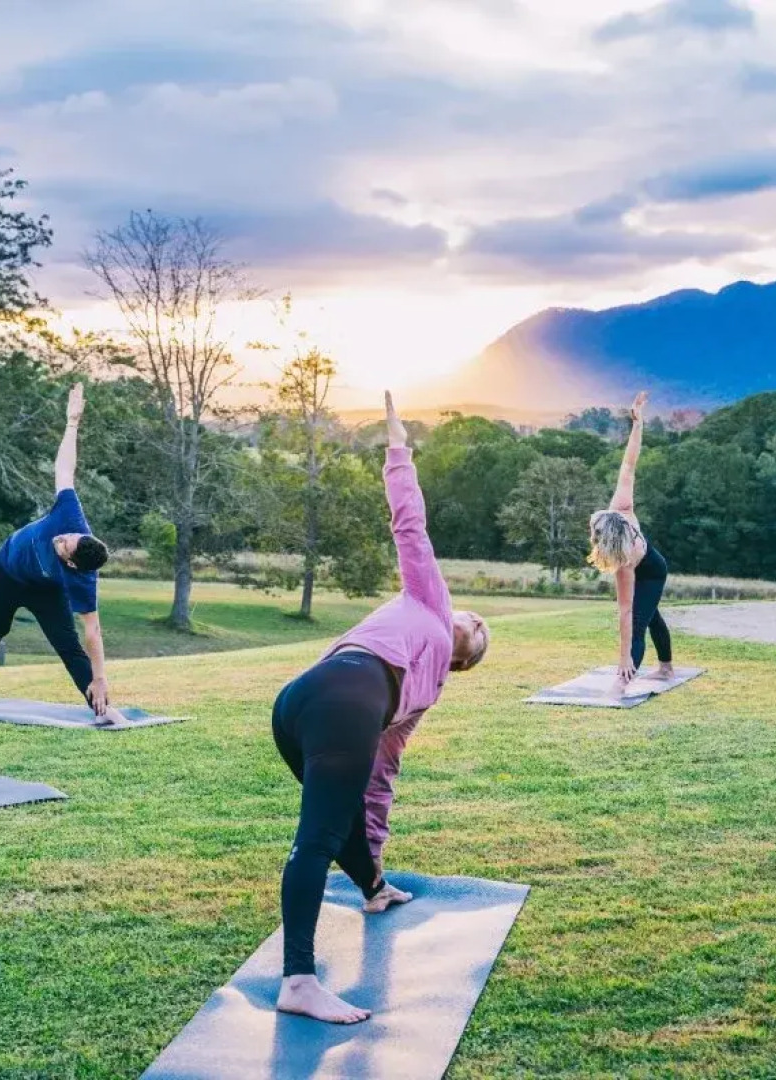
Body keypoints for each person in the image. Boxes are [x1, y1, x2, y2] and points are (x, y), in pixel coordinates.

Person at [271, 391, 490, 1025]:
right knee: (317, 837)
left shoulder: (421, 694)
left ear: (464, 655)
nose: (472, 618)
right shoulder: (429, 599)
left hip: (305, 701)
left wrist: (377, 860)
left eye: (477, 629)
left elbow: (380, 778)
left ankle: (373, 890)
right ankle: (298, 981)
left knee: (335, 822)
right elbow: (408, 523)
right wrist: (398, 447)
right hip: (331, 696)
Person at [0, 383, 126, 723]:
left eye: (65, 547)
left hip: (46, 590)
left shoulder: (81, 580)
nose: (62, 539)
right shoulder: (71, 515)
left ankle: (101, 709)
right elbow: (64, 469)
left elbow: (93, 632)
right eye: (67, 538)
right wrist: (72, 423)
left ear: (73, 563)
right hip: (5, 573)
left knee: (69, 647)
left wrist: (101, 678)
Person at [587, 391, 675, 698]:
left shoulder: (624, 561)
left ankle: (624, 681)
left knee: (638, 622)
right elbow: (629, 463)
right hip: (649, 563)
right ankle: (666, 668)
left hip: (653, 570)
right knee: (652, 615)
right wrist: (636, 423)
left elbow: (624, 614)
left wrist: (623, 659)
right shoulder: (620, 506)